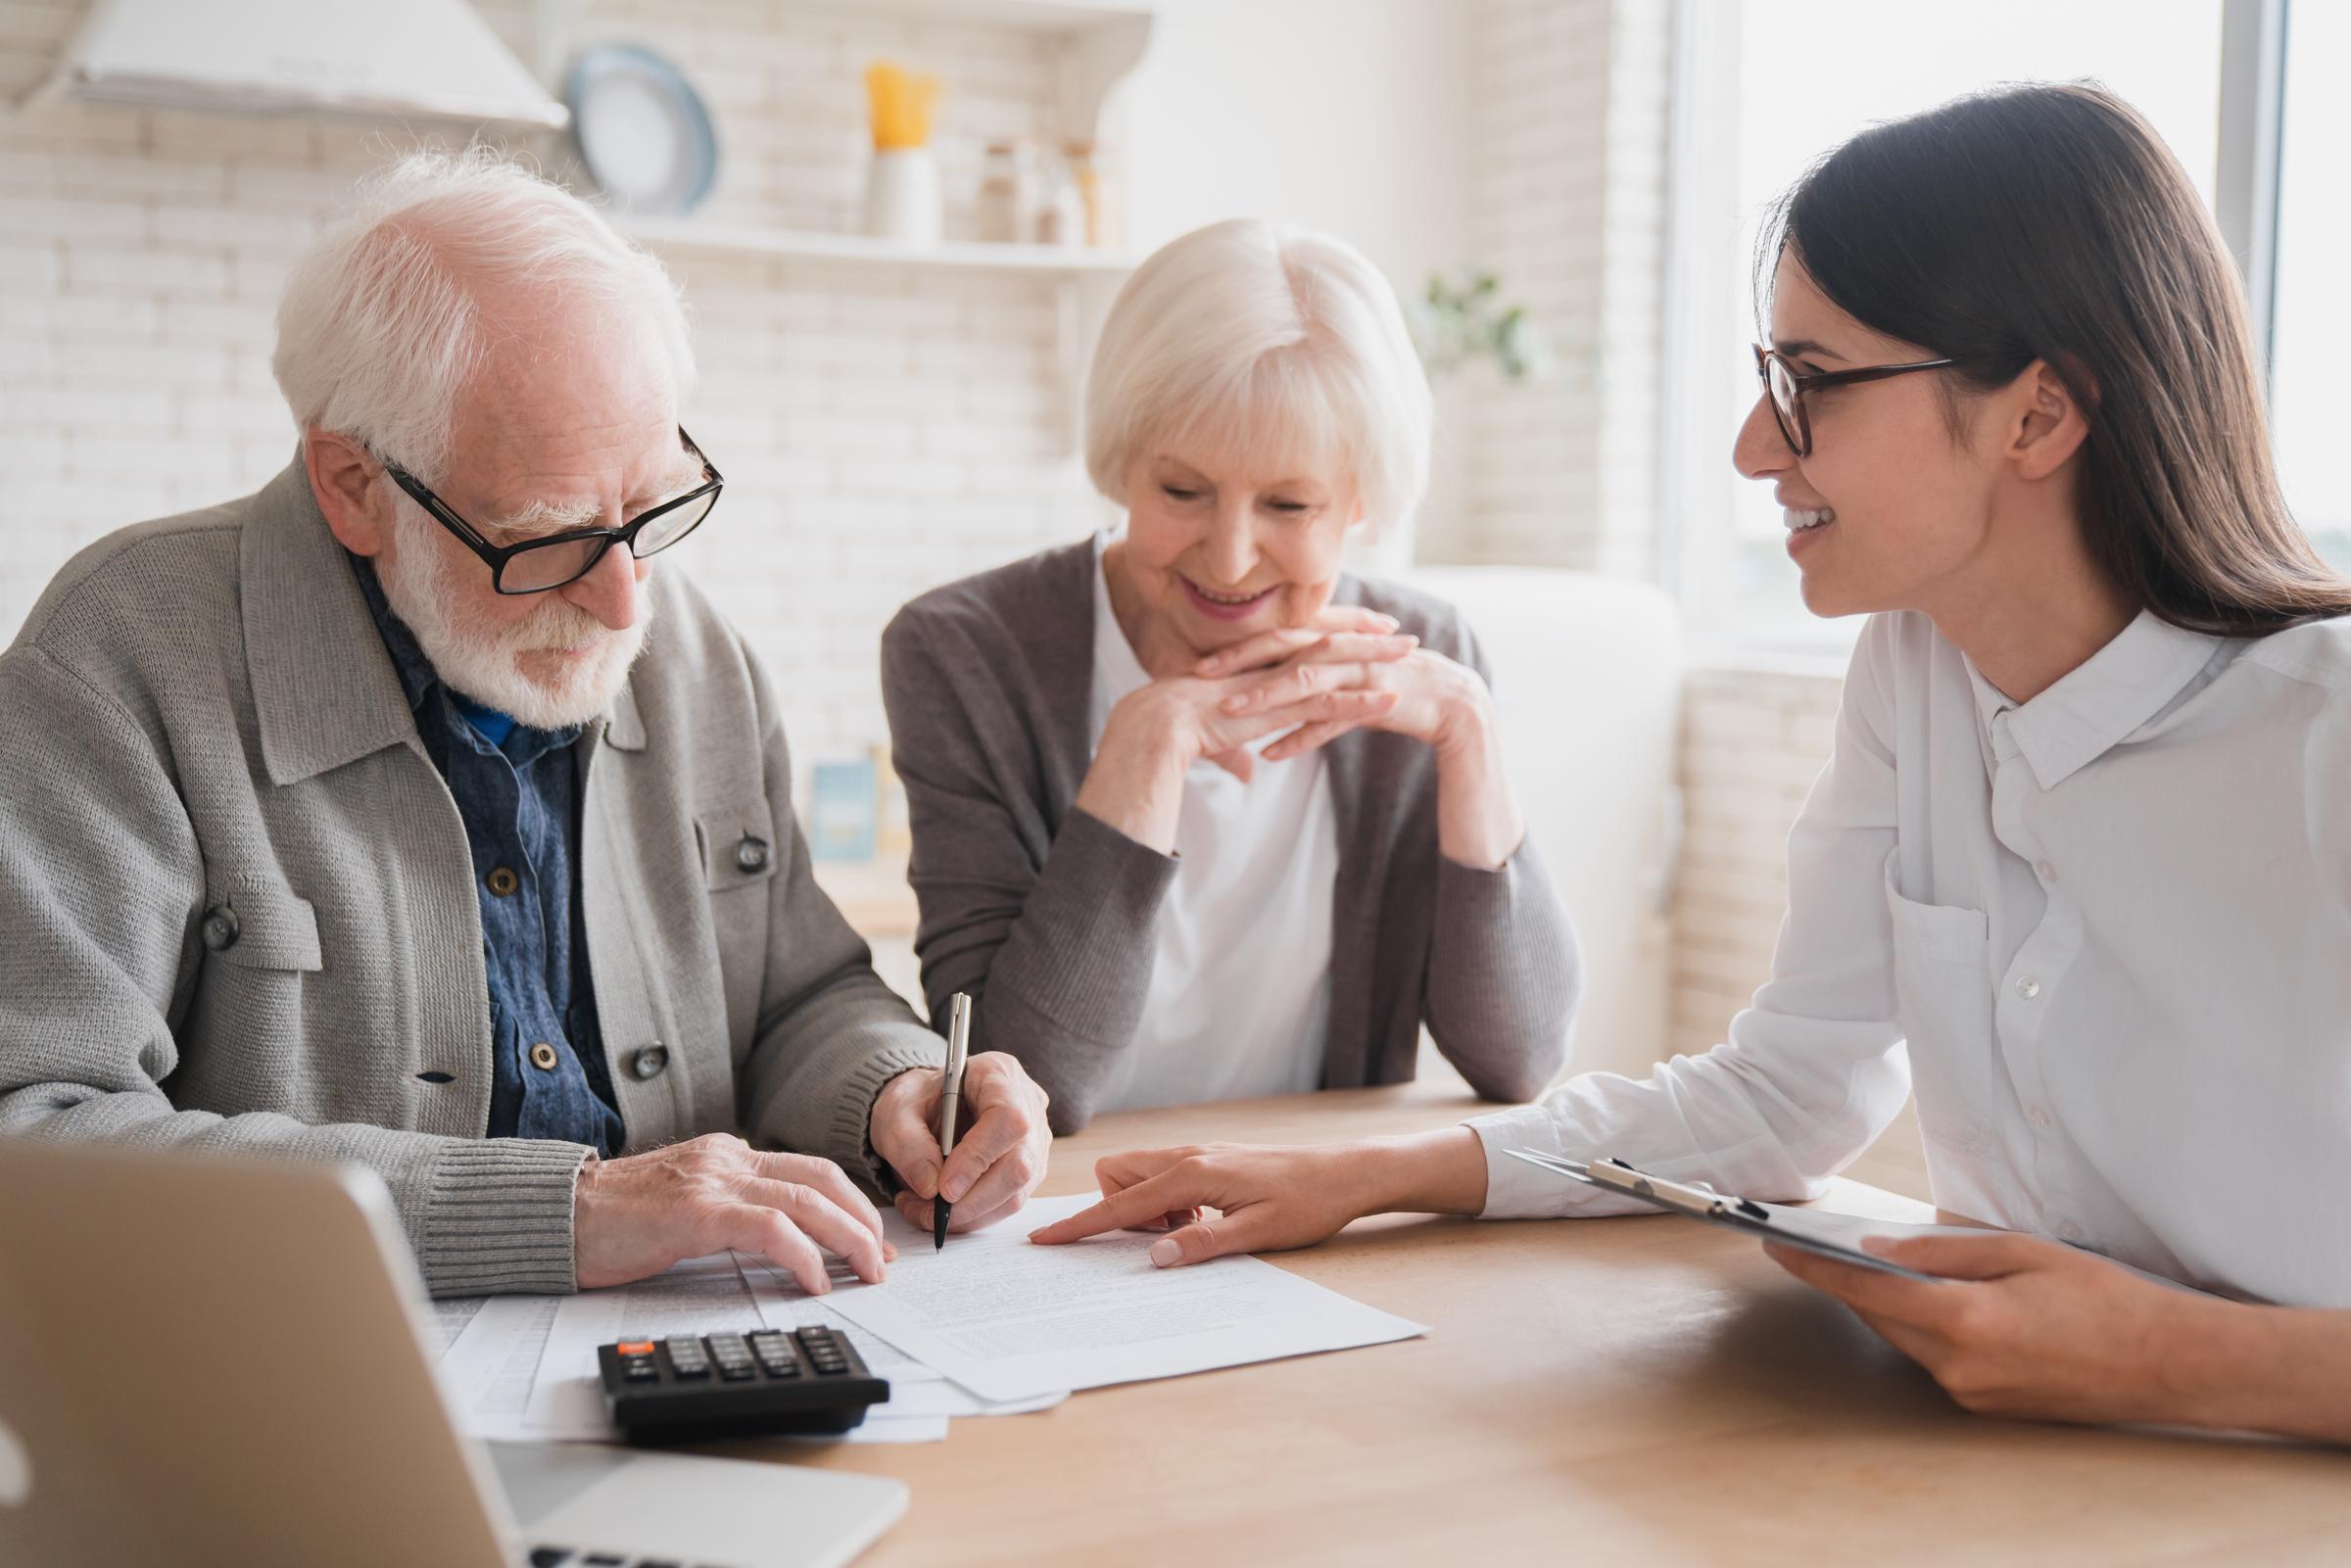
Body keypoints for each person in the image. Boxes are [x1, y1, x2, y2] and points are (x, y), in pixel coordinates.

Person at [1032, 84, 2351, 1444]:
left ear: (2037, 415)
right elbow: (1786, 1095)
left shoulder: (2329, 737)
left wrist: (2165, 1357)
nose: (1750, 446)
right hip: (2013, 1469)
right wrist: (1362, 1175)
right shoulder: (1916, 674)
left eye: (1812, 383)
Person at [0, 151, 1050, 1298]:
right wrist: (565, 1211)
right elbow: (37, 1137)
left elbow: (797, 996)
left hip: (708, 1333)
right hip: (321, 1384)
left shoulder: (692, 649)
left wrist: (891, 1087)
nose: (626, 604)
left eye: (652, 508)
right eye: (547, 538)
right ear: (353, 485)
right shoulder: (124, 653)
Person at [881, 218, 1579, 1135]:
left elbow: (1519, 1059)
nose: (1232, 554)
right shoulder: (964, 650)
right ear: (1123, 459)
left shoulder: (1419, 659)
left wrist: (1472, 736)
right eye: (1182, 492)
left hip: (1305, 1210)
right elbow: (1024, 1085)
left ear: (1361, 500)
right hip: (1059, 1210)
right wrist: (1145, 745)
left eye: (1289, 504)